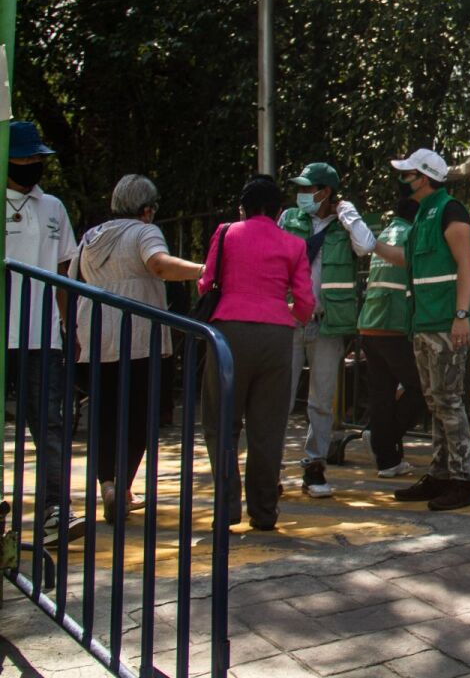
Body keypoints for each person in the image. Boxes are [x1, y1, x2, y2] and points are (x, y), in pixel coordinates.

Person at [69, 175, 205, 521]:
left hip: (95, 337)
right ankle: (124, 485)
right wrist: (205, 271)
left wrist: (70, 330)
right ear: (147, 209)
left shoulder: (92, 237)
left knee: (104, 414)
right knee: (140, 416)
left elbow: (69, 283)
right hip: (140, 340)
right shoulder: (144, 232)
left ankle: (108, 484)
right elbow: (158, 264)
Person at [372, 148, 470, 512]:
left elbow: (466, 264)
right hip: (424, 321)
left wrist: (461, 314)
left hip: (444, 323)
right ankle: (440, 475)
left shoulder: (451, 211)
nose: (402, 179)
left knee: (448, 401)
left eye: (407, 173)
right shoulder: (423, 214)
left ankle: (462, 481)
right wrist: (370, 244)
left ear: (423, 177)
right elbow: (407, 260)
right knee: (436, 401)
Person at [199, 175, 314, 531]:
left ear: (243, 209)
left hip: (228, 334)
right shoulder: (294, 244)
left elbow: (206, 283)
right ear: (279, 212)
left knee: (221, 422)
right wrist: (285, 313)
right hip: (277, 336)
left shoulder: (225, 233)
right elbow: (305, 302)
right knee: (267, 428)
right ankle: (264, 511)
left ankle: (227, 508)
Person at [5, 120, 84, 545]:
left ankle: (56, 509)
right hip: (4, 334)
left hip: (43, 335)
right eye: (27, 157)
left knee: (50, 425)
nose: (35, 163)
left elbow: (63, 271)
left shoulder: (53, 206)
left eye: (39, 157)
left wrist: (69, 325)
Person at [278, 162, 375, 498]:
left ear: (326, 192)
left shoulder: (343, 226)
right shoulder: (289, 219)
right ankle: (270, 469)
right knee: (279, 397)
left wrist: (348, 214)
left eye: (309, 188)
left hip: (327, 323)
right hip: (290, 319)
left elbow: (366, 246)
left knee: (321, 400)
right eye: (301, 188)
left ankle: (314, 466)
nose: (302, 194)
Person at [358, 197, 422, 478]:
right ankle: (380, 438)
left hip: (370, 324)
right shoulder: (411, 235)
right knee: (422, 388)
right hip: (394, 324)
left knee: (382, 394)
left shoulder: (385, 234)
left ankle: (388, 462)